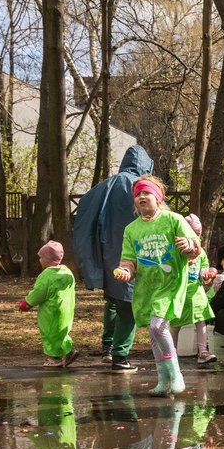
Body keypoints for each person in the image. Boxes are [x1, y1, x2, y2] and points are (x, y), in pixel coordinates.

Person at [114, 175, 202, 397]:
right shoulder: (131, 229)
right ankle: (163, 380)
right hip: (146, 286)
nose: (142, 197)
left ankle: (176, 375)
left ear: (158, 197)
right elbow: (129, 260)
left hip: (170, 283)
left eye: (147, 192)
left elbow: (196, 248)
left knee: (157, 326)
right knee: (153, 334)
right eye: (138, 194)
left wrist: (188, 245)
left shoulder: (173, 220)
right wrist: (126, 271)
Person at [73, 145, 155, 371]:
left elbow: (84, 219)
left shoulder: (102, 187)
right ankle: (120, 356)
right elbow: (158, 217)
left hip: (103, 256)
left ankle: (107, 347)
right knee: (128, 306)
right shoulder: (140, 188)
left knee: (113, 302)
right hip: (131, 258)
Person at [17, 241, 79, 368]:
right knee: (61, 331)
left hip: (51, 310)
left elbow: (39, 292)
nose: (39, 260)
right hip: (66, 309)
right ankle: (69, 350)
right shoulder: (67, 272)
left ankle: (54, 358)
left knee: (49, 333)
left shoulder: (47, 276)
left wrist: (27, 303)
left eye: (41, 257)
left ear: (46, 259)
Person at [169, 214, 217, 364]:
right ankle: (171, 353)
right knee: (175, 323)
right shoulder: (175, 250)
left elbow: (203, 268)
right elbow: (168, 268)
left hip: (196, 292)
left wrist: (207, 274)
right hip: (179, 292)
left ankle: (202, 351)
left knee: (201, 319)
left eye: (198, 235)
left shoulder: (201, 252)